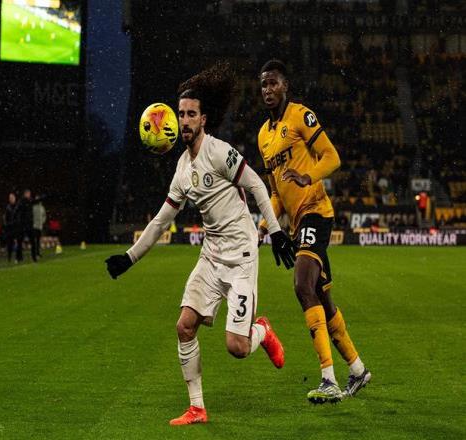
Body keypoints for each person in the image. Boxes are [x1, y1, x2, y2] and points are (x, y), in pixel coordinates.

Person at [105, 62, 296, 425]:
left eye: (191, 114)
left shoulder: (219, 152)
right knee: (184, 326)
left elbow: (256, 185)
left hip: (241, 256)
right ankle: (197, 408)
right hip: (211, 256)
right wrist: (129, 258)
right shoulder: (181, 169)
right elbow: (161, 221)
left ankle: (262, 330)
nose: (185, 121)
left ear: (204, 119)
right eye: (181, 114)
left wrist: (275, 232)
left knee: (237, 347)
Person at [257, 59, 371, 404]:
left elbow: (332, 157)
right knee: (322, 297)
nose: (267, 89)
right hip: (297, 223)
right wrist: (263, 225)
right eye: (263, 84)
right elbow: (276, 194)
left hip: (317, 213)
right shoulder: (263, 136)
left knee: (302, 286)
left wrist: (309, 177)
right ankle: (357, 369)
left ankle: (328, 379)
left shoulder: (300, 116)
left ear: (285, 86)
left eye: (273, 83)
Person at [17, 189, 37, 262]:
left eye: (29, 194)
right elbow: (19, 212)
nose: (29, 195)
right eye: (28, 194)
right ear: (25, 194)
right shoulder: (22, 202)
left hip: (29, 224)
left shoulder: (30, 201)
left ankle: (33, 257)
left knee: (32, 241)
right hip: (23, 224)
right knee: (20, 241)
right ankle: (19, 257)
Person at [3, 193, 19, 262]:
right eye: (10, 198)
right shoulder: (7, 207)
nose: (11, 199)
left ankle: (17, 257)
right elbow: (5, 218)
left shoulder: (17, 207)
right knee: (10, 244)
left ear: (15, 198)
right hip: (10, 228)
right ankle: (9, 258)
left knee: (17, 243)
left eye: (12, 198)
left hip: (16, 228)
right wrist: (7, 225)